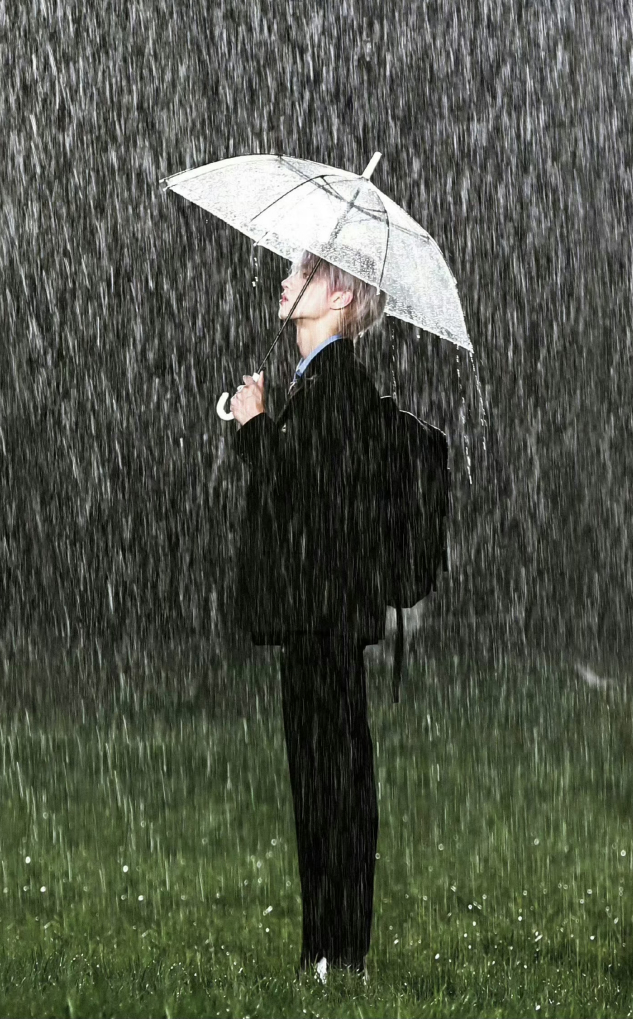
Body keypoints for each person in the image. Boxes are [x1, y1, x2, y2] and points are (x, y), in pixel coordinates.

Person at [229, 250, 390, 983]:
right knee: (323, 781)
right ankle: (327, 952)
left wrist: (256, 428)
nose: (284, 282)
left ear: (339, 296)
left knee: (331, 784)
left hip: (323, 619)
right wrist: (263, 422)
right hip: (318, 619)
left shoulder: (336, 389)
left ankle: (334, 953)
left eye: (301, 273)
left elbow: (302, 506)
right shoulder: (317, 387)